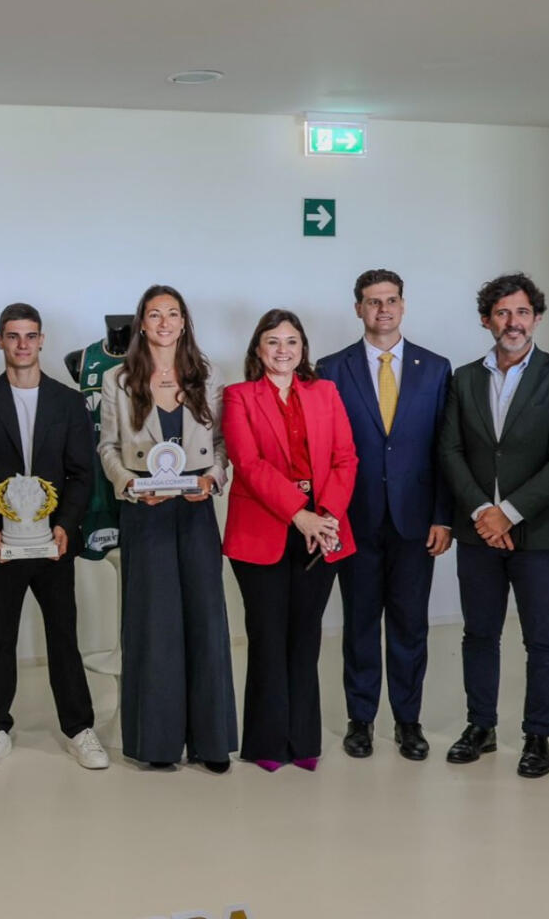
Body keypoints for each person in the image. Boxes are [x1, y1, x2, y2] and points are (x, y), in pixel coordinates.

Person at [439, 273, 549, 778]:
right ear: (487, 320)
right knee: (479, 633)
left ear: (537, 318)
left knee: (543, 638)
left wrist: (511, 511)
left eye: (522, 312)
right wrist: (484, 512)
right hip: (479, 531)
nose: (513, 322)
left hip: (540, 533)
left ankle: (538, 736)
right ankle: (480, 727)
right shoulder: (463, 378)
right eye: (502, 313)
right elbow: (451, 451)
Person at [0, 302, 108, 773]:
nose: (22, 344)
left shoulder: (67, 403)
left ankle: (79, 729)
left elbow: (82, 474)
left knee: (63, 635)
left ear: (41, 340)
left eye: (30, 336)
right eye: (12, 336)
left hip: (54, 543)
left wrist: (65, 526)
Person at [315, 269, 453, 762]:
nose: (383, 309)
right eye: (373, 302)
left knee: (410, 625)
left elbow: (446, 449)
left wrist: (444, 516)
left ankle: (408, 721)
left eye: (391, 300)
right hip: (355, 518)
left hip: (417, 521)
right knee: (359, 623)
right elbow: (323, 450)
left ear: (403, 305)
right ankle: (361, 720)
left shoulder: (435, 368)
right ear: (358, 308)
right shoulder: (331, 368)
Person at [96, 286, 236, 772]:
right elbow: (108, 448)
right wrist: (130, 487)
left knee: (205, 621)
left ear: (184, 322)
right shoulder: (119, 380)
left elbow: (221, 443)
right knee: (153, 626)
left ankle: (211, 743)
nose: (163, 322)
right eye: (154, 314)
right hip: (145, 509)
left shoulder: (208, 374)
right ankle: (156, 745)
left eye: (172, 313)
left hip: (195, 508)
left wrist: (213, 479)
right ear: (142, 323)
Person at [223, 309, 357, 772]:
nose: (283, 350)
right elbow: (249, 462)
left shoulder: (326, 392)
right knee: (267, 636)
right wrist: (299, 515)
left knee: (305, 637)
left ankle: (303, 742)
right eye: (273, 342)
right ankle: (265, 743)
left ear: (303, 349)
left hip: (323, 529)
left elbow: (346, 459)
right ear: (257, 350)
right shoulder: (238, 396)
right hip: (262, 529)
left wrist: (326, 518)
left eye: (292, 342)